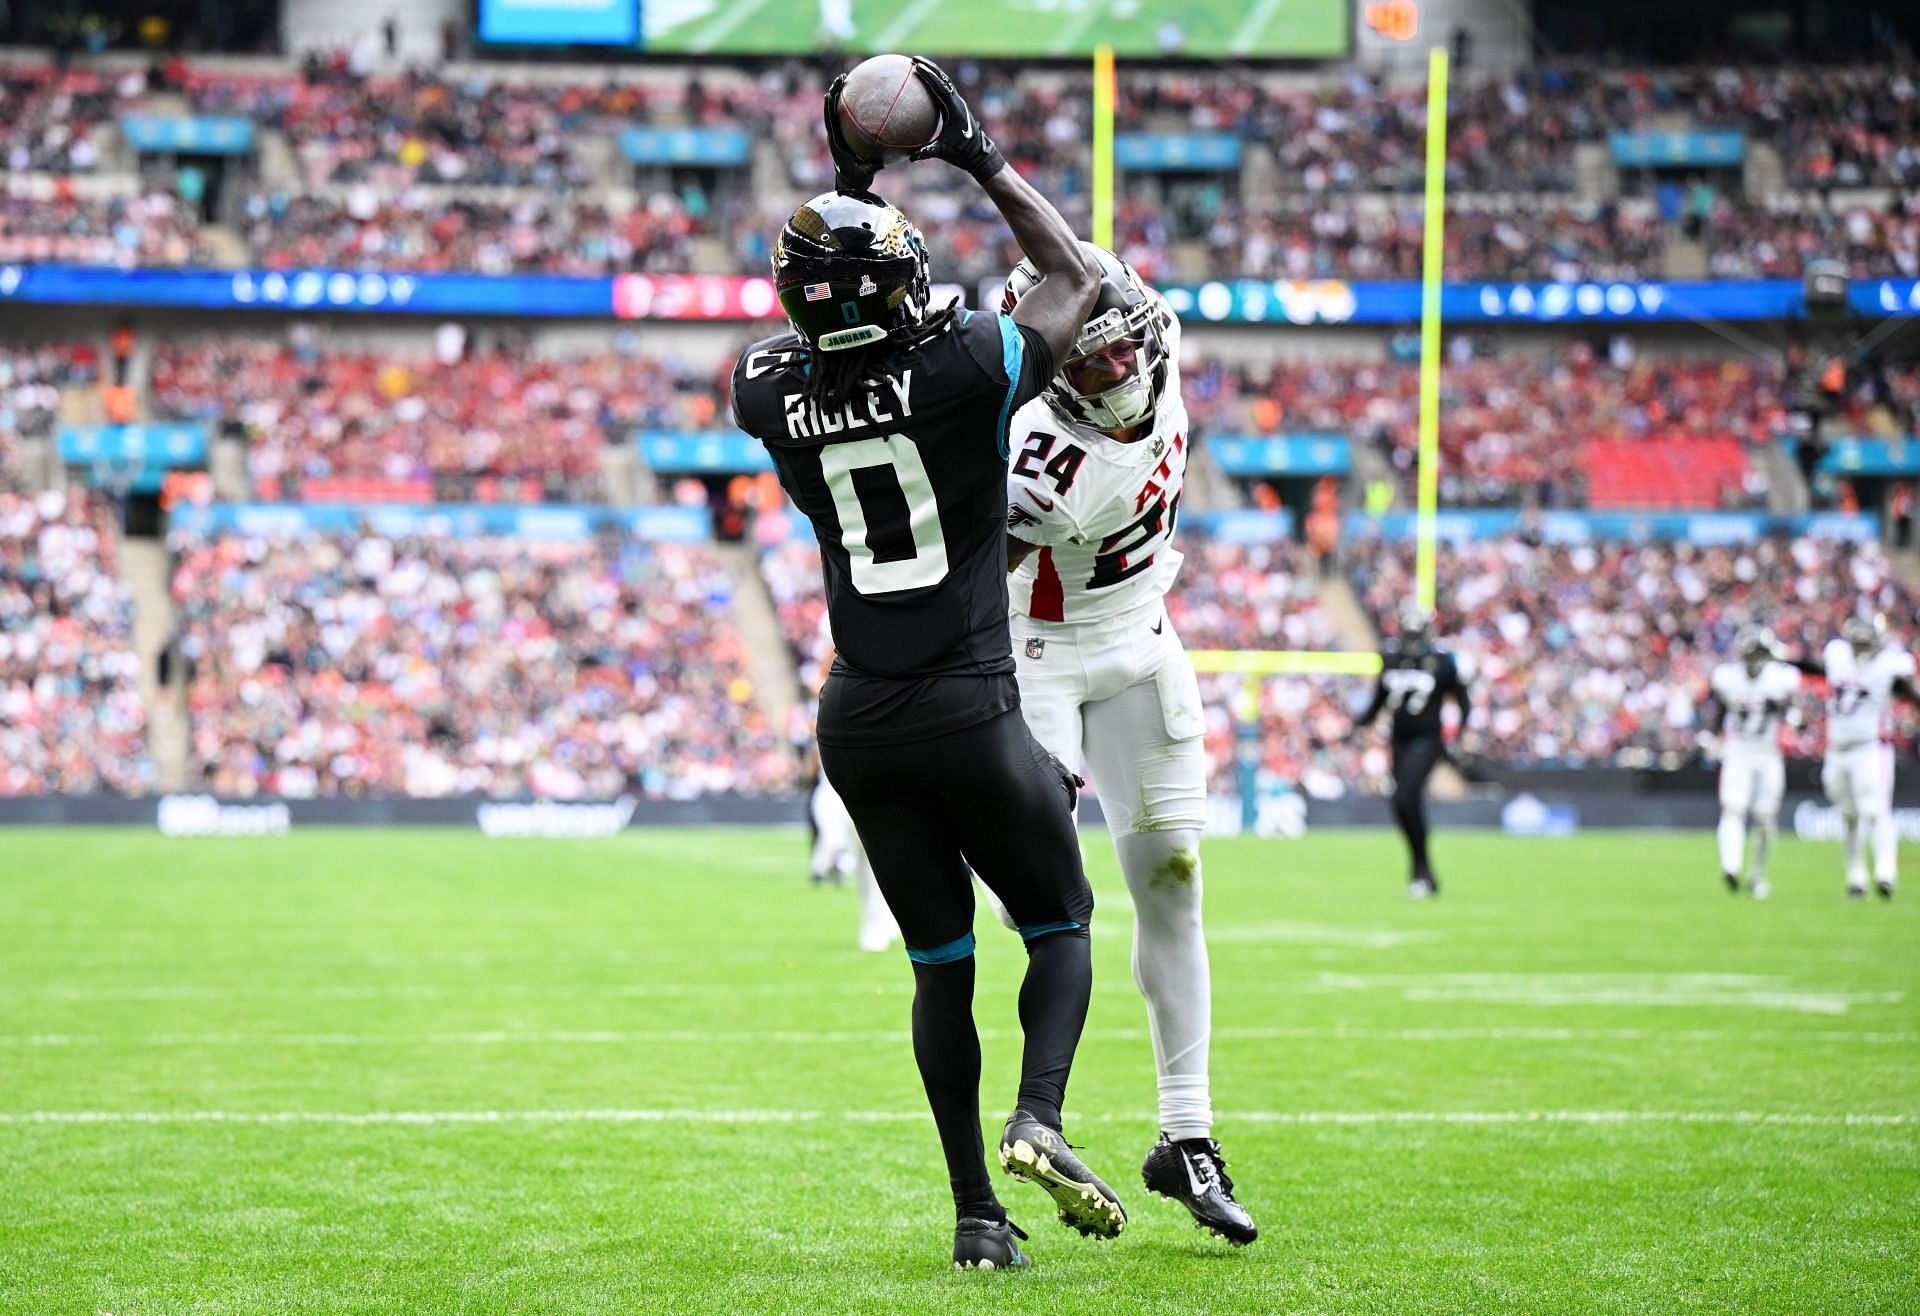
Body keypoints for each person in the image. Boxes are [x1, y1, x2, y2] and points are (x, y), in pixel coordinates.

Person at [729, 58, 1118, 1270]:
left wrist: (845, 188)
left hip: (859, 717)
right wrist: (975, 153)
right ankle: (1039, 1118)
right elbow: (1079, 279)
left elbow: (797, 325)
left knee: (938, 964)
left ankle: (974, 1217)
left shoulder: (765, 392)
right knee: (1060, 922)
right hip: (966, 700)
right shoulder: (964, 370)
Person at [999, 245, 1255, 1245]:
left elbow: (1083, 265)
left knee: (1176, 880)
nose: (1119, 370)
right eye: (1091, 360)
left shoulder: (1160, 339)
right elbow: (985, 576)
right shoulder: (1037, 453)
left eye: (1123, 349)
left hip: (1144, 638)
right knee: (1046, 907)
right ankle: (1035, 1120)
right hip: (1041, 660)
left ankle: (1185, 1133)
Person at [1791, 614, 1919, 898]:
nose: (1861, 647)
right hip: (1838, 750)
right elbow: (1820, 670)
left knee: (1875, 811)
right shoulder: (1838, 656)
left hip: (1871, 748)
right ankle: (1856, 877)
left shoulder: (1890, 665)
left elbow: (1909, 693)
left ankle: (1886, 873)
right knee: (1847, 816)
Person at [1350, 605, 1470, 899]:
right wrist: (1359, 724)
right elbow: (1379, 699)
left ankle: (1421, 871)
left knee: (1404, 796)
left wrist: (1459, 736)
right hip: (1399, 740)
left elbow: (1463, 702)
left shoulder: (1442, 661)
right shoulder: (1391, 659)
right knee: (1403, 804)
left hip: (1427, 739)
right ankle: (1422, 871)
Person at [1704, 627, 1801, 899]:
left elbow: (1794, 718)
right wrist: (1711, 740)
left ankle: (1757, 875)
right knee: (1733, 808)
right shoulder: (1729, 679)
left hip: (1767, 753)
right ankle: (1731, 866)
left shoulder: (1778, 680)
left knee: (1764, 818)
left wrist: (1784, 710)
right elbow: (1719, 713)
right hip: (1738, 751)